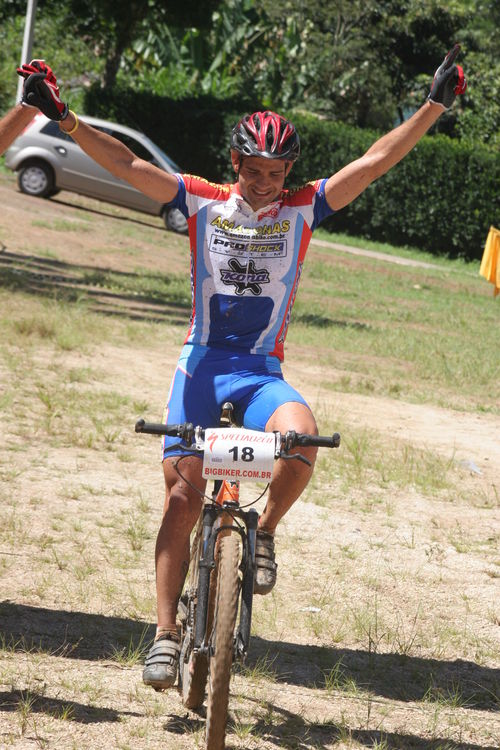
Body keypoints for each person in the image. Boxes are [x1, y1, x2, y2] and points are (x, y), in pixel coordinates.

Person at [11, 48, 466, 690]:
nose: (265, 183)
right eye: (254, 171)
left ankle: (265, 533)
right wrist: (67, 119)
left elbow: (373, 161)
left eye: (276, 172)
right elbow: (129, 164)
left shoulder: (304, 208)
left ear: (289, 171)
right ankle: (165, 635)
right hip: (200, 367)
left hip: (259, 372)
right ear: (236, 166)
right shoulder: (203, 202)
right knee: (180, 493)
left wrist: (433, 106)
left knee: (302, 436)